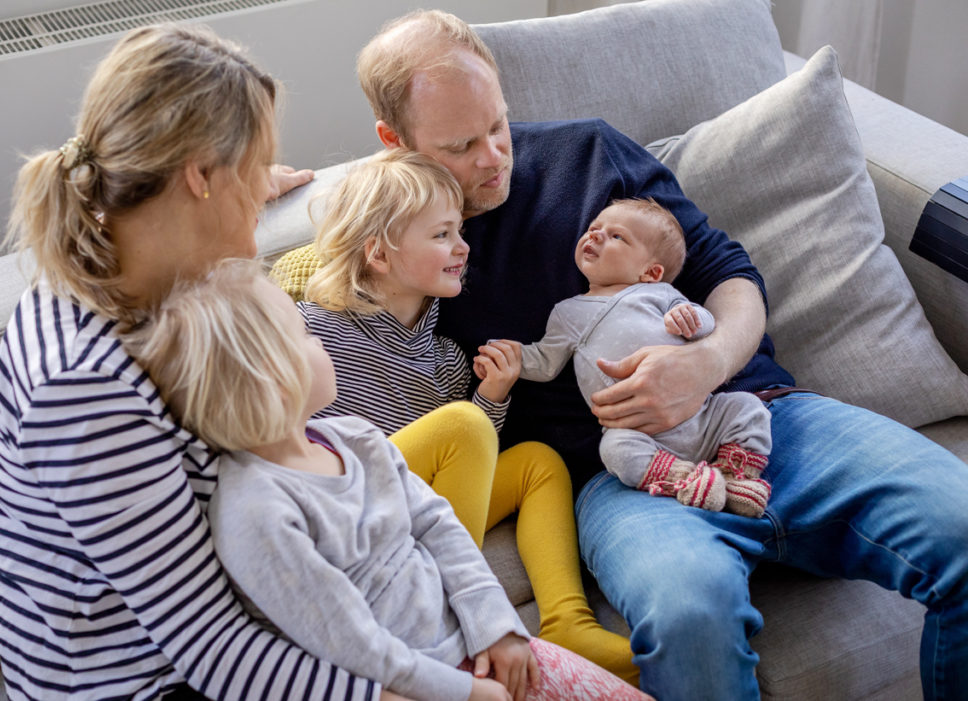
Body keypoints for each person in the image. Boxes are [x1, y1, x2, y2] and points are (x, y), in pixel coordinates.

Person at [355, 9, 968, 700]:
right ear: (394, 139)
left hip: (758, 416)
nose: (494, 157)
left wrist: (705, 362)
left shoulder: (589, 151)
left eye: (497, 125)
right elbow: (309, 302)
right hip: (621, 481)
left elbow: (730, 273)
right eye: (461, 145)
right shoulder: (403, 245)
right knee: (687, 615)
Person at [0, 23, 405, 701]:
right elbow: (210, 644)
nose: (266, 190)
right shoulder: (83, 387)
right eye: (258, 162)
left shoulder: (123, 260)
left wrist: (248, 190)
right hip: (145, 683)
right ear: (199, 177)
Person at [124, 257, 652, 701]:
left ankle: (565, 624)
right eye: (305, 334)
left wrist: (496, 626)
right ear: (268, 376)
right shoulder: (256, 511)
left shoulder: (352, 436)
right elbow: (348, 641)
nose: (319, 338)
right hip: (427, 686)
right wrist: (462, 691)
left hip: (486, 645)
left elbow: (437, 522)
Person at [296, 147, 635, 681]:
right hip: (360, 517)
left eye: (459, 231)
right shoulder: (315, 331)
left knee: (536, 461)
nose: (462, 247)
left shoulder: (447, 355)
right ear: (379, 255)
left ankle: (567, 621)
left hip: (429, 514)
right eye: (442, 235)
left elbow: (471, 461)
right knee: (463, 424)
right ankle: (443, 601)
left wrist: (492, 396)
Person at [479, 198, 773, 517]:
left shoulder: (659, 294)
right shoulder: (567, 313)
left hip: (704, 417)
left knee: (747, 407)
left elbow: (705, 326)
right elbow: (545, 362)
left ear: (651, 272)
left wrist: (692, 317)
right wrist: (511, 357)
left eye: (616, 236)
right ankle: (683, 479)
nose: (595, 236)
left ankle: (735, 477)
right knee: (614, 450)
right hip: (641, 436)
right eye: (593, 229)